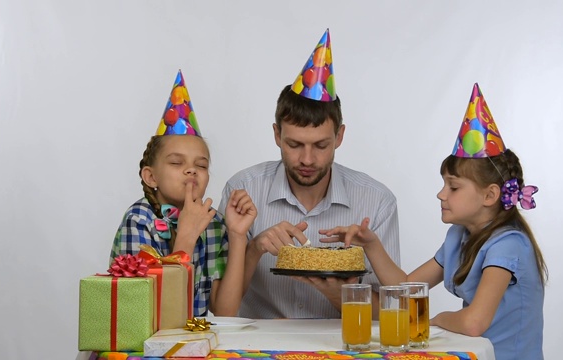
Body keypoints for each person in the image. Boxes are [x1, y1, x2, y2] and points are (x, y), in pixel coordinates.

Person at [321, 83, 547, 360]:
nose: (441, 194)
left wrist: (438, 318)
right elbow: (406, 288)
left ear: (490, 195)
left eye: (453, 187)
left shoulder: (508, 245)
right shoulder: (458, 237)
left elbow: (474, 322)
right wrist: (371, 244)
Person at [218, 29, 400, 319]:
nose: (306, 159)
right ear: (277, 135)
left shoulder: (377, 200)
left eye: (320, 145)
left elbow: (393, 312)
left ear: (339, 137)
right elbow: (220, 309)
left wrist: (336, 293)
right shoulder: (242, 189)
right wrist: (254, 248)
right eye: (294, 144)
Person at [110, 70, 257, 317]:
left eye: (201, 165)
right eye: (177, 163)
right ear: (151, 177)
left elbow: (225, 311)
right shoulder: (139, 220)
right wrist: (186, 237)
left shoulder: (214, 225)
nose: (191, 170)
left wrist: (237, 235)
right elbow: (138, 312)